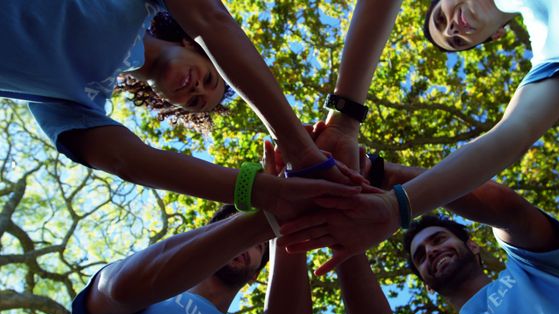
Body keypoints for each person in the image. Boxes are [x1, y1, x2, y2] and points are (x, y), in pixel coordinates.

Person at [278, 0, 559, 274]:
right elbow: (508, 137)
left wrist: (343, 119)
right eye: (453, 40)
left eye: (441, 17)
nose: (451, 28)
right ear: (494, 37)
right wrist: (396, 206)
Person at [0, 1, 361, 224]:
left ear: (169, 103)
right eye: (208, 77)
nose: (197, 89)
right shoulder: (147, 6)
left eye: (195, 101)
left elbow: (129, 161)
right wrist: (299, 148)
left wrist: (267, 193)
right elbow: (211, 18)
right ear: (194, 46)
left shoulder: (78, 104)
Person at [333, 156, 559, 314]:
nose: (432, 252)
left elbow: (510, 211)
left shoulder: (536, 271)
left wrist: (383, 174)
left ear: (474, 245)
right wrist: (339, 226)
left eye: (438, 239)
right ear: (426, 285)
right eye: (421, 256)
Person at [71, 201, 312, 314]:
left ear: (256, 276)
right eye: (233, 229)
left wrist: (291, 222)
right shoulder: (145, 295)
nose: (244, 242)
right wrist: (269, 212)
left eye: (257, 244)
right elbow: (115, 289)